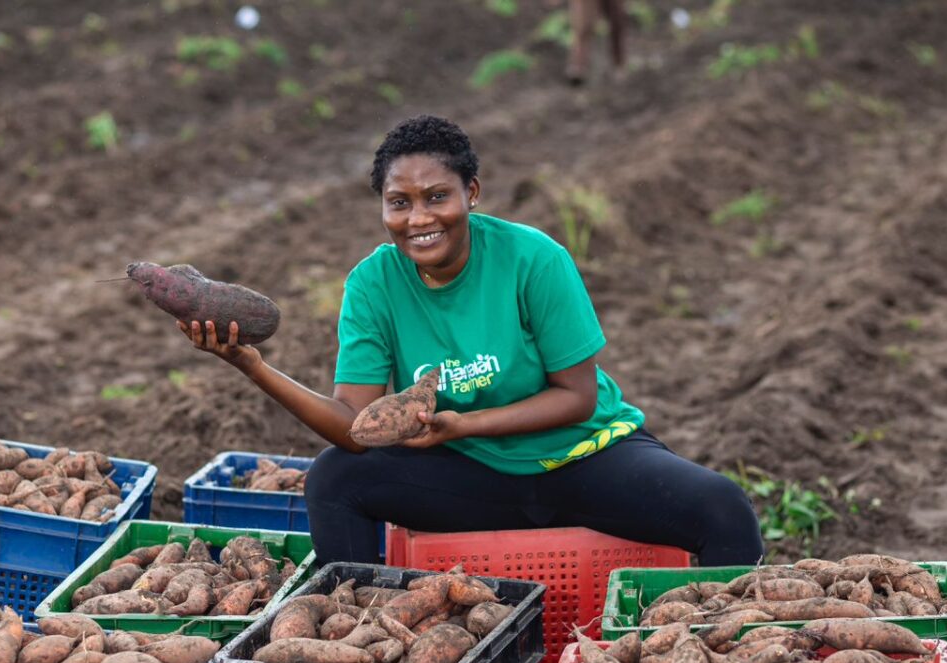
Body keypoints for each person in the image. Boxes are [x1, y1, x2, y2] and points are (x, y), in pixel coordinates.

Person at [180, 115, 763, 567]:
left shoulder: (532, 258)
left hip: (581, 458)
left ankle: (724, 657)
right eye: (399, 203)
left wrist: (463, 425)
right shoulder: (373, 284)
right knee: (336, 478)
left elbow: (577, 397)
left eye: (437, 196)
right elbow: (354, 427)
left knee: (723, 508)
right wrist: (252, 366)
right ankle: (362, 638)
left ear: (472, 193)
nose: (418, 219)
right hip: (471, 476)